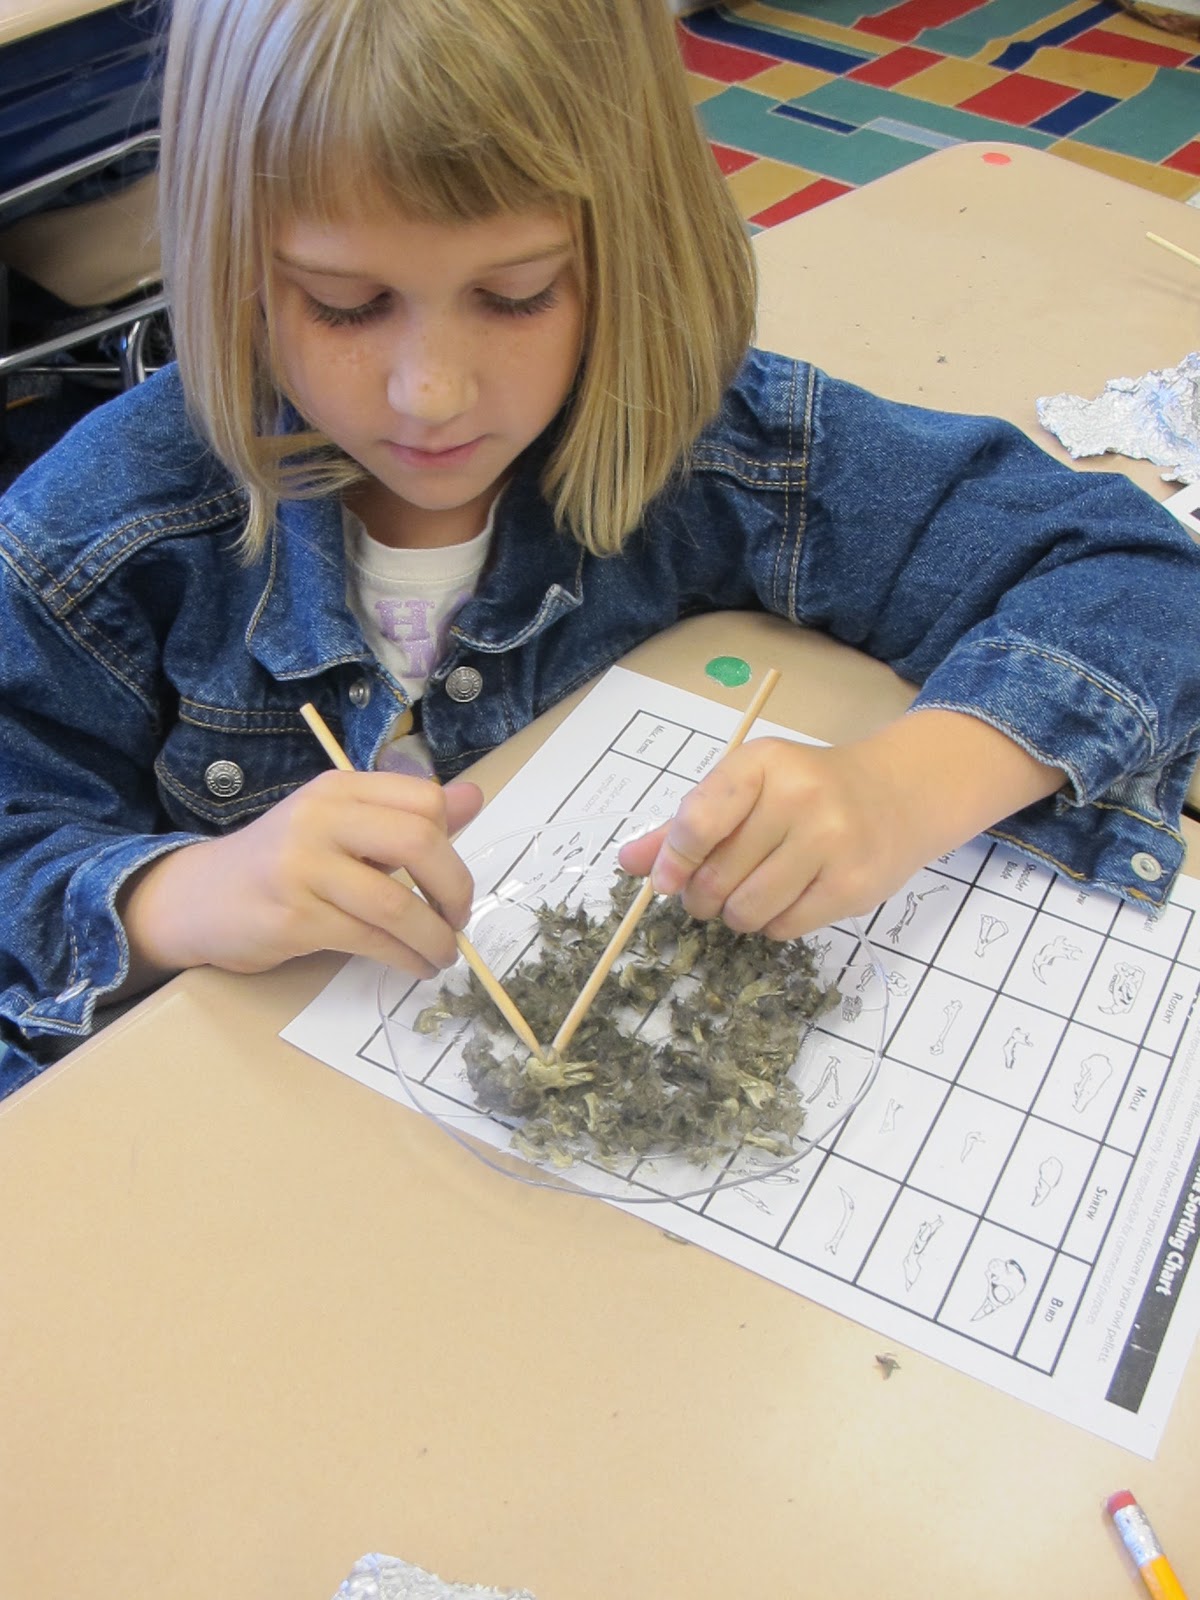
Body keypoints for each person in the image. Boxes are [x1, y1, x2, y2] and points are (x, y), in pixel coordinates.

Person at [1, 0, 1198, 1098]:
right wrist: (182, 899)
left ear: (632, 248)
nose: (430, 391)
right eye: (345, 304)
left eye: (517, 295)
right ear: (231, 261)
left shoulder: (707, 445)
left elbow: (1137, 580)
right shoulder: (103, 531)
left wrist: (905, 788)